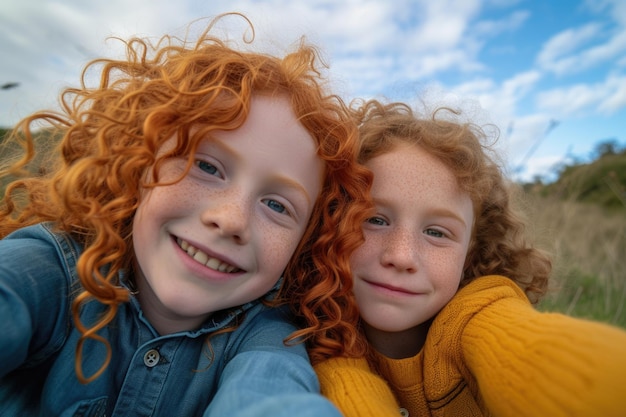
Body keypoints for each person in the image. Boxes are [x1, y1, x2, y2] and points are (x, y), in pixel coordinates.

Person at [0, 14, 373, 417]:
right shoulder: (53, 270)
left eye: (278, 206)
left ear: (304, 246)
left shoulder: (267, 337)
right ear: (137, 162)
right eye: (206, 166)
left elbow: (273, 394)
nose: (231, 220)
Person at [313, 99, 626, 417]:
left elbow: (535, 353)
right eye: (375, 220)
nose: (401, 256)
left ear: (470, 255)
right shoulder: (313, 340)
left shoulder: (478, 315)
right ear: (330, 221)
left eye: (437, 233)